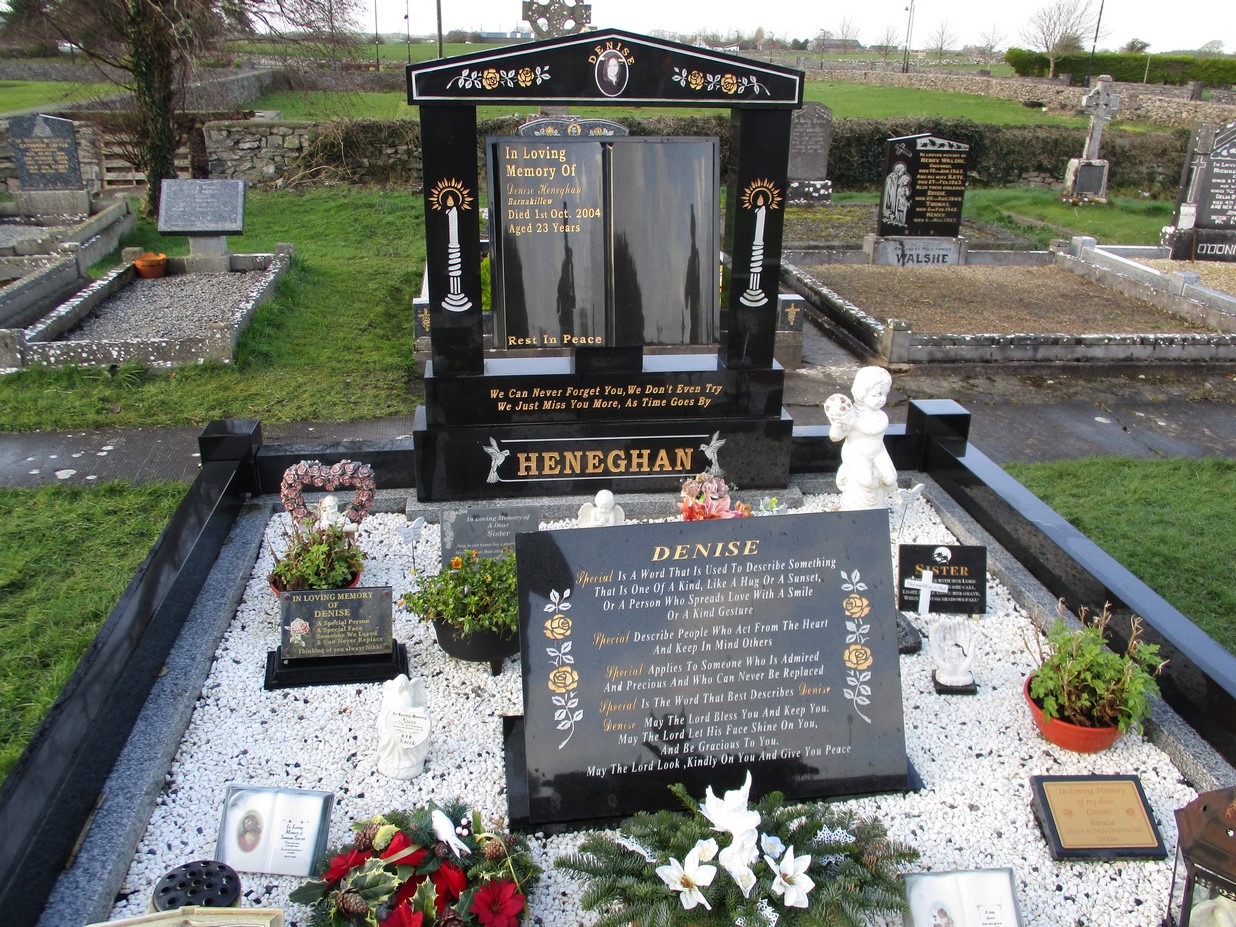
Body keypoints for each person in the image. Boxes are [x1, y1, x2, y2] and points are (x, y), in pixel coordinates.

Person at [826, 366, 898, 510]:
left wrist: (854, 423)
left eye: (885, 394)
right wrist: (837, 424)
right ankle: (854, 505)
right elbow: (835, 437)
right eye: (877, 394)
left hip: (878, 452)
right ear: (862, 392)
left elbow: (874, 431)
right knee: (867, 481)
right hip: (856, 454)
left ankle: (877, 507)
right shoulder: (850, 415)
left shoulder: (881, 416)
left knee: (891, 479)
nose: (882, 399)